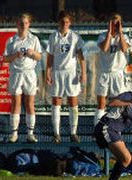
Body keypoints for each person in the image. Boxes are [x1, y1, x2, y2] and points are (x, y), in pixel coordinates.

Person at [46, 11, 86, 144]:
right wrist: (48, 71)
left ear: (70, 23)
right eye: (62, 22)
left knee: (73, 102)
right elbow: (50, 56)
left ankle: (73, 133)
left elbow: (81, 56)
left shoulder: (75, 37)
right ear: (58, 22)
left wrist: (84, 73)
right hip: (57, 72)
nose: (64, 24)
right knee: (56, 102)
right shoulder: (53, 37)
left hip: (71, 73)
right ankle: (56, 134)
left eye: (67, 22)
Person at [3, 13, 42, 143]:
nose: (23, 25)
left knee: (30, 104)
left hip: (29, 74)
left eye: (25, 23)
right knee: (16, 103)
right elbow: (6, 59)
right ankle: (14, 134)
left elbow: (39, 57)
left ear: (29, 24)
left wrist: (33, 53)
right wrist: (15, 56)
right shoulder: (11, 40)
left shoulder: (34, 39)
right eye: (21, 23)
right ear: (17, 24)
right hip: (16, 74)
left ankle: (30, 134)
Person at [94, 13, 130, 126]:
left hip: (117, 74)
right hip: (104, 73)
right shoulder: (102, 36)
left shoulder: (124, 37)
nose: (115, 26)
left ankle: (115, 128)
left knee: (118, 103)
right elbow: (104, 48)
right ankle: (97, 130)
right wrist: (109, 33)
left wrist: (120, 32)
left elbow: (124, 49)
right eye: (113, 23)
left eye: (117, 24)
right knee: (101, 103)